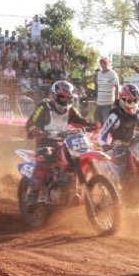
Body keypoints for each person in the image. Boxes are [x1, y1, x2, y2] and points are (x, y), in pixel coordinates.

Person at [24, 80, 97, 209]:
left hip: (63, 142)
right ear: (54, 96)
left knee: (77, 157)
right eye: (63, 97)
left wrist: (90, 125)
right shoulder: (44, 106)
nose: (66, 101)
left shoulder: (70, 109)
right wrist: (34, 129)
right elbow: (32, 121)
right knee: (44, 159)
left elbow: (80, 120)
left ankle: (74, 188)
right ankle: (33, 194)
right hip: (45, 141)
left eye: (68, 98)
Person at [93, 56, 119, 123]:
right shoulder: (99, 73)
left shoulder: (112, 74)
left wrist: (116, 101)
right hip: (99, 103)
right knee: (98, 122)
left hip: (108, 103)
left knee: (107, 124)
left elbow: (117, 87)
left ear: (108, 63)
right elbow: (99, 87)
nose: (102, 64)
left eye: (104, 63)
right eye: (101, 63)